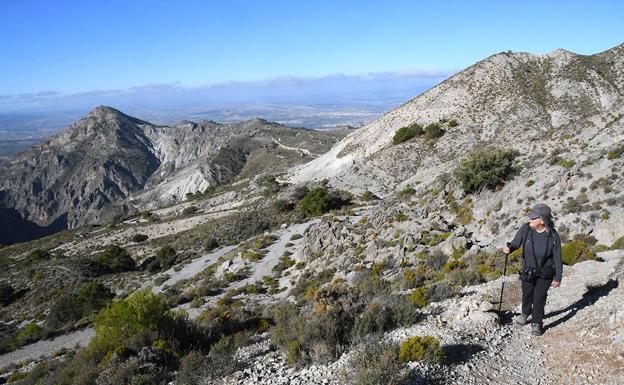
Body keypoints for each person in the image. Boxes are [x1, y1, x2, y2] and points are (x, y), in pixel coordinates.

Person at [503, 203, 563, 336]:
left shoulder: (553, 235)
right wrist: (509, 248)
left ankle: (537, 322)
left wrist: (558, 277)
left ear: (542, 220)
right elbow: (515, 243)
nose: (530, 219)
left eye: (533, 218)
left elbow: (558, 257)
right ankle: (524, 313)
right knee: (527, 294)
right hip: (528, 270)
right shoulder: (526, 229)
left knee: (539, 298)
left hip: (546, 272)